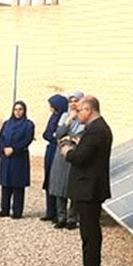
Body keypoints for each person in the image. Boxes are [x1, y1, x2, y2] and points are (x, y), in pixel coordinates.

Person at [61, 95, 113, 266]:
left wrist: (68, 151)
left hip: (89, 188)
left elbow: (81, 157)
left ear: (89, 110)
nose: (78, 113)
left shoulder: (96, 131)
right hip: (88, 187)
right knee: (87, 230)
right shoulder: (95, 129)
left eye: (80, 110)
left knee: (90, 232)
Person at [47, 91, 84, 229]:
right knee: (59, 186)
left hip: (75, 156)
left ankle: (72, 218)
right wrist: (70, 119)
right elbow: (58, 134)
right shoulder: (64, 116)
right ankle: (61, 217)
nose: (73, 104)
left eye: (76, 101)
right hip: (60, 156)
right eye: (71, 101)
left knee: (72, 187)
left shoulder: (84, 117)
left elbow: (81, 137)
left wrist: (70, 137)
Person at [0, 101, 35, 219]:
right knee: (6, 183)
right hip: (6, 158)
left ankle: (17, 211)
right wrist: (4, 148)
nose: (18, 112)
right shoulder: (7, 123)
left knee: (18, 184)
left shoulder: (28, 125)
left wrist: (14, 149)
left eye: (20, 109)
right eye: (16, 109)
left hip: (19, 158)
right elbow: (0, 137)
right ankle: (5, 209)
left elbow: (27, 139)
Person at [40, 94, 70, 222]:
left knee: (57, 180)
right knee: (49, 181)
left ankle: (59, 213)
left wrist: (54, 136)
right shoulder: (53, 117)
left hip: (58, 151)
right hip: (50, 150)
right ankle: (50, 211)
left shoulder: (64, 118)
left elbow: (58, 135)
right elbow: (47, 134)